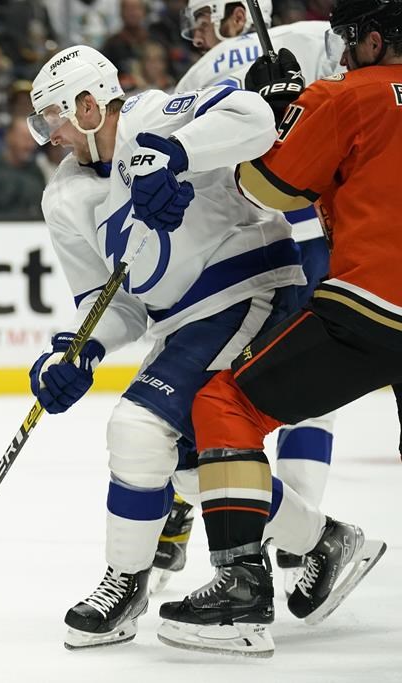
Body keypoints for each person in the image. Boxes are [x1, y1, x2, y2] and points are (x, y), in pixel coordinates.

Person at [25, 45, 363, 651]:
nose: (50, 135)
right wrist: (75, 351)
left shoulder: (157, 115)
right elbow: (113, 303)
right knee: (185, 464)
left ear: (86, 103)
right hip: (185, 322)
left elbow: (255, 117)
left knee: (136, 429)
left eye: (53, 117)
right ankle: (324, 539)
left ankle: (124, 583)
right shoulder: (64, 197)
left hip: (250, 285)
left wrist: (173, 155)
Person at [157, 0, 397, 657]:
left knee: (224, 402)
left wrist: (286, 113)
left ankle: (248, 584)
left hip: (368, 297)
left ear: (375, 40)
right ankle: (307, 541)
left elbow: (266, 186)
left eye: (351, 40)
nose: (343, 51)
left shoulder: (345, 90)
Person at [153, 0, 343, 595]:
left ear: (234, 10)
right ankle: (300, 533)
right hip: (296, 235)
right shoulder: (316, 38)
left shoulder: (296, 41)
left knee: (236, 390)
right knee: (294, 384)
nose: (201, 35)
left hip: (267, 242)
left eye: (203, 21)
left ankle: (293, 531)